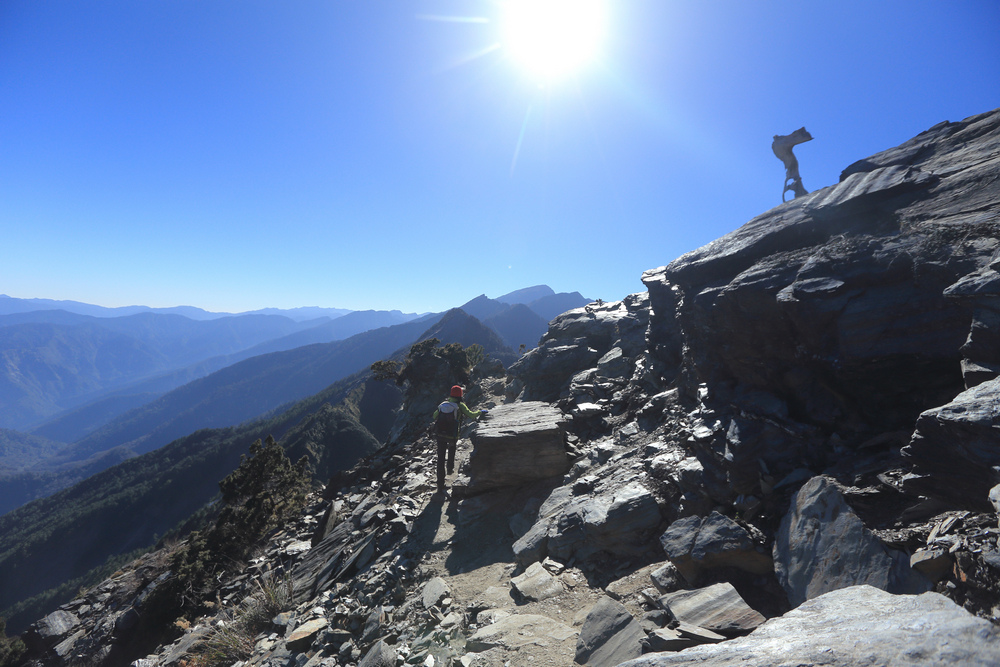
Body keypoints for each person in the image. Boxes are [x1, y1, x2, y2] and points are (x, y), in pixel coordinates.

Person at [431, 385, 487, 491]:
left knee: (440, 458)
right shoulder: (460, 405)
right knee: (451, 451)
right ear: (460, 395)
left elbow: (434, 416)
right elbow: (471, 415)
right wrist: (480, 412)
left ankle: (440, 483)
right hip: (452, 435)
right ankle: (450, 469)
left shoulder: (443, 405)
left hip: (440, 435)